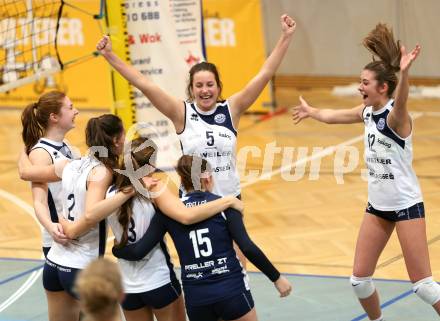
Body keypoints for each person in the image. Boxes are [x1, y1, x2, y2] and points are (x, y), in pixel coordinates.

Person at [98, 13, 296, 267]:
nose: (205, 90)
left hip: (228, 199)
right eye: (199, 85)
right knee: (200, 265)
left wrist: (285, 37)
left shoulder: (232, 109)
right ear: (191, 89)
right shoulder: (182, 113)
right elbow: (144, 84)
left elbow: (265, 73)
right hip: (194, 202)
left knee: (237, 265)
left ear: (218, 86)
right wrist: (110, 56)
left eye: (210, 84)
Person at [20, 115, 244, 321]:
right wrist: (227, 201)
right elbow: (185, 216)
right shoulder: (151, 188)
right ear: (152, 164)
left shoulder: (105, 187)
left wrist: (26, 141)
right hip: (157, 280)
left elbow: (30, 176)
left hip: (126, 286)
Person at [292, 23, 440, 320]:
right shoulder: (367, 114)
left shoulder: (396, 118)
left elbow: (402, 101)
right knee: (359, 281)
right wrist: (313, 112)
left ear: (382, 88)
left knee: (423, 286)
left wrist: (406, 72)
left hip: (406, 206)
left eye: (365, 83)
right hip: (378, 207)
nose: (360, 87)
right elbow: (335, 116)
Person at [113, 154, 292, 321]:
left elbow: (138, 251)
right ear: (207, 178)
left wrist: (116, 249)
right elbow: (247, 248)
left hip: (197, 300)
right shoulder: (226, 206)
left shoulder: (169, 214)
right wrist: (276, 278)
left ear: (183, 181)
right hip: (231, 291)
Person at [20, 91, 79, 321]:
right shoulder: (41, 153)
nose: (76, 111)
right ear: (54, 117)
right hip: (59, 241)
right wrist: (51, 227)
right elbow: (39, 201)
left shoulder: (69, 147)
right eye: (71, 107)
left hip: (78, 239)